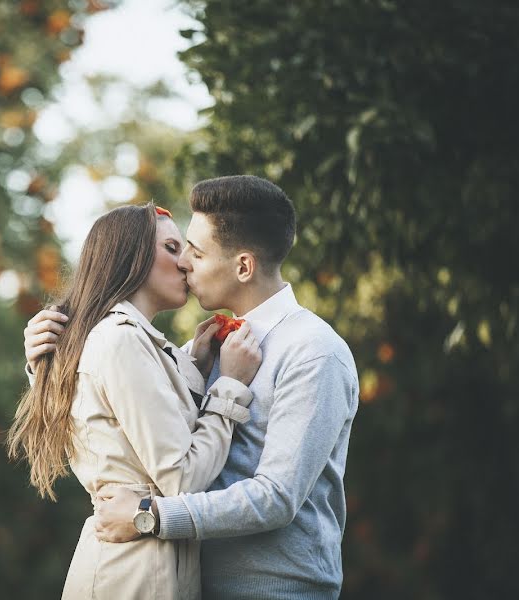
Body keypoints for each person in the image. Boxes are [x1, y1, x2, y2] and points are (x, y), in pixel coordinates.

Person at [24, 176, 360, 599]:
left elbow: (276, 497)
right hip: (184, 583)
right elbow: (111, 429)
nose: (185, 262)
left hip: (275, 590)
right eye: (179, 248)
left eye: (196, 253)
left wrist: (151, 516)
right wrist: (44, 361)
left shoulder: (314, 352)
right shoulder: (200, 350)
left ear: (243, 266)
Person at [7, 203, 262, 600]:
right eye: (174, 248)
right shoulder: (120, 338)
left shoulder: (134, 341)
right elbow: (182, 479)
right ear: (133, 257)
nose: (186, 264)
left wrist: (194, 362)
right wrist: (229, 386)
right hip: (133, 572)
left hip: (148, 564)